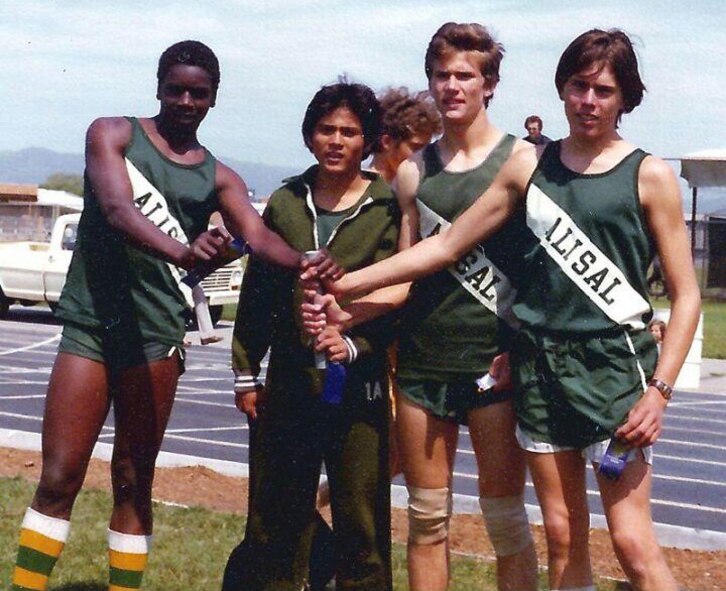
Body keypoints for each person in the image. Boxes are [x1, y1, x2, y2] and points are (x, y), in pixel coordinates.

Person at [316, 28, 701, 591]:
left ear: (625, 98)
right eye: (578, 86)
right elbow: (442, 247)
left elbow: (686, 292)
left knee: (631, 542)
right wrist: (344, 284)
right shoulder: (529, 169)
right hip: (540, 373)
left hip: (615, 372)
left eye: (604, 90)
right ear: (561, 89)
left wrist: (660, 388)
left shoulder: (650, 173)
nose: (588, 101)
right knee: (563, 537)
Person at [9, 40, 339, 591]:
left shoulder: (219, 175)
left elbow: (257, 237)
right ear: (158, 86)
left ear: (213, 99)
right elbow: (116, 208)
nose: (186, 100)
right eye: (176, 89)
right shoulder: (112, 133)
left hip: (159, 334)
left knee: (134, 482)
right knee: (60, 476)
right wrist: (184, 252)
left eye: (199, 93)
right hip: (92, 327)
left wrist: (305, 259)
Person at [306, 22, 539, 591]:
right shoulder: (414, 172)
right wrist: (349, 316)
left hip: (494, 368)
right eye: (442, 75)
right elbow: (407, 275)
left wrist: (344, 287)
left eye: (465, 75)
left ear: (491, 83)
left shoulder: (523, 161)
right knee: (426, 521)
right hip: (421, 366)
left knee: (506, 525)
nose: (452, 86)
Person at [228, 80, 400, 591]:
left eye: (350, 131)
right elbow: (257, 294)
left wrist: (353, 343)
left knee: (361, 520)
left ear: (367, 141)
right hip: (288, 383)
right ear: (309, 136)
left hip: (360, 386)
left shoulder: (389, 207)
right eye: (326, 129)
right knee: (276, 513)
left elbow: (400, 294)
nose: (337, 141)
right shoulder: (284, 203)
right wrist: (244, 370)